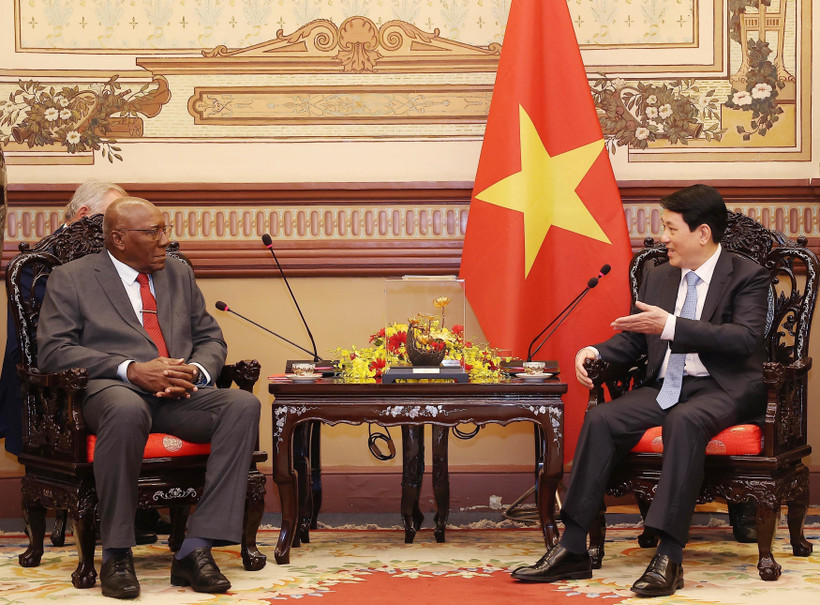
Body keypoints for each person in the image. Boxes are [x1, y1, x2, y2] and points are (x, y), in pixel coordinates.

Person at [511, 184, 770, 597]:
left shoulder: (747, 276)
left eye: (670, 228)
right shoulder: (658, 275)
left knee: (685, 421)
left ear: (701, 233)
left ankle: (669, 555)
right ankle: (572, 547)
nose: (662, 237)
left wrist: (671, 326)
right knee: (601, 418)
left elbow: (743, 339)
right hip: (665, 384)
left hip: (722, 386)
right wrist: (595, 351)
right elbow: (636, 340)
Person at [37, 197, 261, 599]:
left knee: (242, 406)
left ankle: (196, 548)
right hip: (113, 390)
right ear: (119, 239)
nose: (165, 241)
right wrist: (132, 369)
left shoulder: (178, 273)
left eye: (165, 230)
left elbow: (210, 337)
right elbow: (54, 351)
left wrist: (195, 371)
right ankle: (118, 553)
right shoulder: (72, 278)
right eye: (153, 232)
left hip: (180, 393)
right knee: (126, 409)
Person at [1, 181, 127, 456]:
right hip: (56, 389)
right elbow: (44, 345)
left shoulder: (123, 259)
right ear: (84, 215)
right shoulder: (36, 266)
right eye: (111, 218)